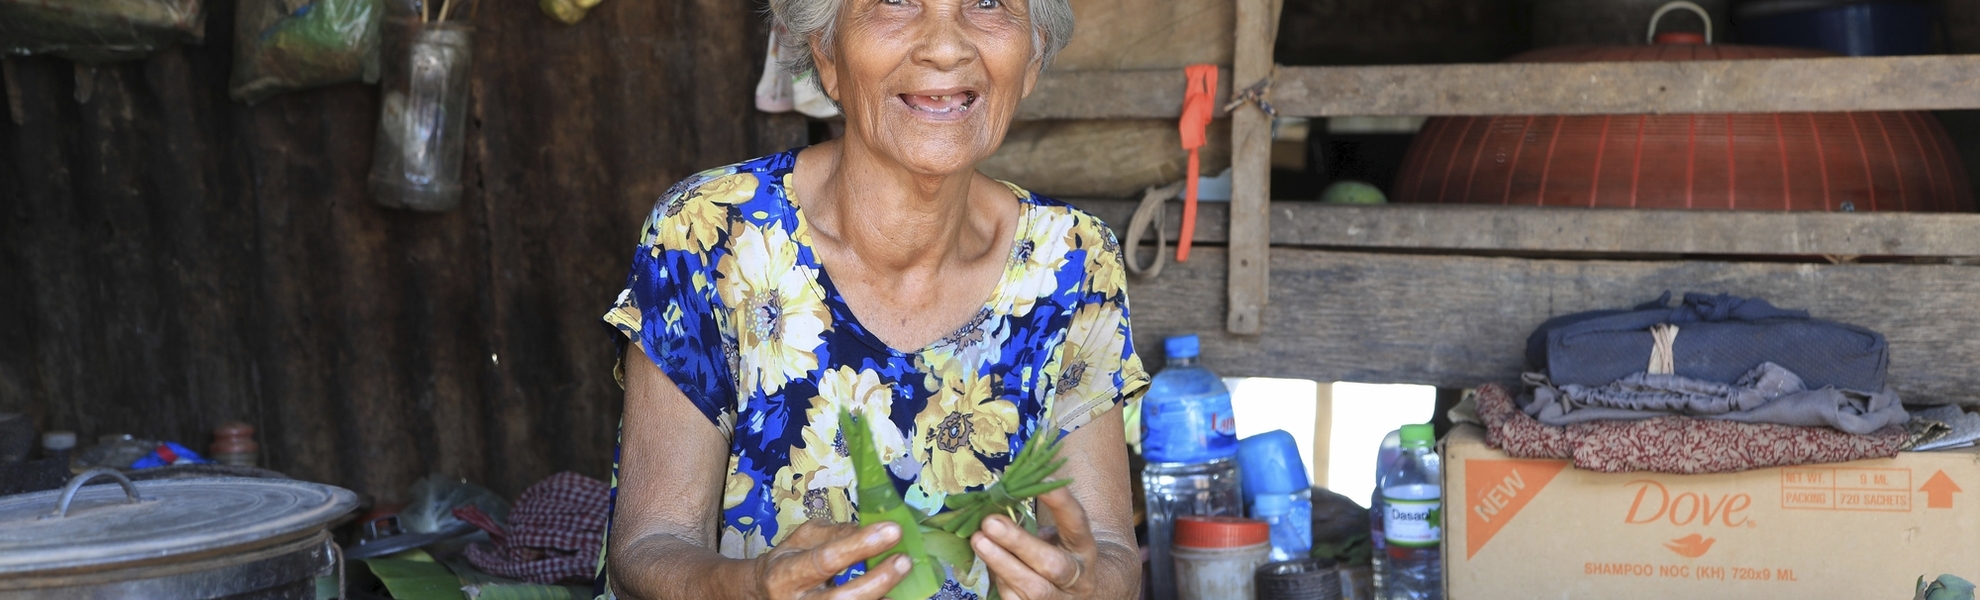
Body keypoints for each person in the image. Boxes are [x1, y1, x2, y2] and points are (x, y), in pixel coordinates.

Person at [596, 0, 1148, 598]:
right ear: (827, 52)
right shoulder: (711, 233)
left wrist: (1082, 586)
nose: (946, 45)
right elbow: (648, 544)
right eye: (895, 1)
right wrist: (750, 587)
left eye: (989, 3)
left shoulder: (1071, 259)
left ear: (1033, 56)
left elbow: (1111, 550)